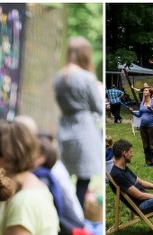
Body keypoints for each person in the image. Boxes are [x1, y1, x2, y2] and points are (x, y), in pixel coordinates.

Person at [53, 36, 104, 208]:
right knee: (83, 179)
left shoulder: (59, 78)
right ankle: (77, 219)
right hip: (84, 129)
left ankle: (63, 213)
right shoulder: (86, 78)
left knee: (64, 176)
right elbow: (98, 107)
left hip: (64, 127)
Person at [129, 85, 153, 167]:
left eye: (146, 90)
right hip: (143, 127)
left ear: (150, 93)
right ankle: (148, 162)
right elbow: (139, 115)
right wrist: (132, 112)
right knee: (145, 145)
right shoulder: (142, 103)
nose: (144, 91)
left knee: (152, 145)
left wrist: (151, 109)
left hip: (152, 126)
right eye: (144, 90)